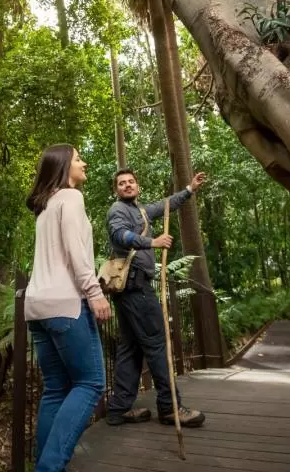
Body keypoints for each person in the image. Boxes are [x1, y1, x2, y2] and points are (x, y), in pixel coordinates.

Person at [24, 144, 112, 472]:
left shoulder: (46, 206)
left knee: (57, 389)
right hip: (66, 305)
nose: (84, 162)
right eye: (77, 159)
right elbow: (77, 254)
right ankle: (49, 468)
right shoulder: (71, 198)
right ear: (63, 166)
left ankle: (42, 465)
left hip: (37, 306)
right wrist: (95, 294)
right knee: (90, 384)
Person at [105, 167, 207, 428]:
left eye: (131, 182)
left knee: (131, 349)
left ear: (137, 186)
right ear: (116, 190)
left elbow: (166, 205)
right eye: (121, 183)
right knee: (157, 343)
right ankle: (169, 407)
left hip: (130, 292)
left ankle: (118, 409)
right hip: (136, 288)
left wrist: (189, 190)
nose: (127, 185)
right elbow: (120, 235)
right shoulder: (118, 210)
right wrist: (153, 242)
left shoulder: (140, 211)